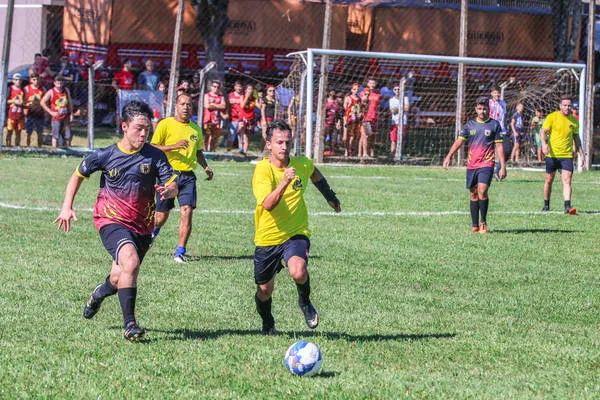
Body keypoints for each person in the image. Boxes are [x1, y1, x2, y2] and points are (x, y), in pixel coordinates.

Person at [53, 100, 178, 341]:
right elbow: (78, 174)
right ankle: (130, 325)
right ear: (124, 126)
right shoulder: (106, 155)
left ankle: (99, 294)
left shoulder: (155, 156)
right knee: (130, 262)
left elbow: (172, 182)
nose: (144, 133)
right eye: (138, 128)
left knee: (118, 278)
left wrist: (170, 190)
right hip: (110, 220)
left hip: (142, 225)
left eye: (147, 129)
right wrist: (67, 206)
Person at [252, 120, 341, 335]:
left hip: (296, 233)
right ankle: (268, 323)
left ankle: (305, 302)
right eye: (279, 142)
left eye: (287, 142)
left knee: (298, 271)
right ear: (269, 144)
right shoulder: (263, 171)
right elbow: (269, 205)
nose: (284, 147)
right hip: (268, 237)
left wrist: (330, 197)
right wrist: (284, 181)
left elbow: (315, 174)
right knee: (264, 291)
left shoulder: (301, 164)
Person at [150, 93, 214, 263]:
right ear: (176, 106)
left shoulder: (196, 129)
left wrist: (205, 166)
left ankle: (180, 252)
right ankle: (152, 233)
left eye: (189, 105)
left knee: (187, 211)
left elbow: (198, 151)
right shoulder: (165, 124)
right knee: (160, 217)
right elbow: (152, 147)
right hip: (168, 175)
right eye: (182, 104)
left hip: (188, 177)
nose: (186, 107)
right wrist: (174, 146)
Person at [443, 96, 506, 234]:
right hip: (472, 165)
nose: (482, 111)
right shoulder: (470, 125)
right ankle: (474, 224)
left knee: (482, 191)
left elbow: (499, 146)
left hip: (487, 164)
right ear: (475, 109)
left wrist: (503, 166)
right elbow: (459, 142)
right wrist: (449, 156)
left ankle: (483, 222)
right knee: (473, 194)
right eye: (479, 108)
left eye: (484, 108)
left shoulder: (494, 125)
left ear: (488, 109)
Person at [540, 95, 584, 214]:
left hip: (566, 156)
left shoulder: (574, 121)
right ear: (560, 106)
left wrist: (581, 153)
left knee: (567, 180)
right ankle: (546, 204)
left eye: (569, 105)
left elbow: (576, 137)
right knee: (549, 180)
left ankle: (567, 207)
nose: (567, 107)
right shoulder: (552, 117)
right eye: (564, 105)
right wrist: (544, 144)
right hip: (552, 155)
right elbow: (543, 131)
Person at [41, 76, 73, 149]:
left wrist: (71, 113)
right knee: (55, 135)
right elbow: (42, 102)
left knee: (67, 134)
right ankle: (54, 149)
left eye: (61, 83)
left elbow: (70, 103)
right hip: (56, 117)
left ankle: (68, 149)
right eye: (58, 83)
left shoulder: (66, 90)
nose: (60, 85)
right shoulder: (51, 91)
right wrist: (50, 112)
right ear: (54, 83)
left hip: (65, 117)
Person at [489, 86, 509, 182]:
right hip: (490, 130)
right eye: (495, 92)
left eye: (498, 93)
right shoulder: (489, 103)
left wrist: (506, 128)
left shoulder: (503, 103)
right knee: (487, 152)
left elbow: (503, 117)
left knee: (508, 150)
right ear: (492, 93)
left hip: (501, 130)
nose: (497, 94)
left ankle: (497, 170)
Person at [203, 80, 226, 152]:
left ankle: (212, 150)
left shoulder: (221, 97)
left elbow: (223, 106)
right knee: (207, 135)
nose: (216, 88)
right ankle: (205, 150)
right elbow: (207, 106)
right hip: (208, 118)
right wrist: (218, 105)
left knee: (215, 136)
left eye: (217, 87)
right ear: (211, 87)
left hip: (216, 119)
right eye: (214, 86)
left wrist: (213, 104)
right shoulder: (207, 95)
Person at [24, 73, 45, 147]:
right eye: (34, 79)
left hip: (40, 114)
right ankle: (27, 146)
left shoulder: (42, 89)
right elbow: (24, 101)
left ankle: (40, 147)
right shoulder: (27, 88)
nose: (36, 81)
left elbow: (45, 101)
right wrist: (26, 107)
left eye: (37, 79)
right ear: (31, 80)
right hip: (30, 113)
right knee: (28, 132)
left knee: (40, 132)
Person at [362, 78, 381, 158]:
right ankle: (365, 153)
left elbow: (378, 106)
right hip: (367, 117)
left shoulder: (378, 94)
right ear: (367, 84)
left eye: (373, 83)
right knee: (366, 135)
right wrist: (366, 94)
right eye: (370, 83)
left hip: (375, 117)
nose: (372, 85)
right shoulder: (364, 92)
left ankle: (372, 153)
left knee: (373, 135)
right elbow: (363, 100)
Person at [343, 83, 362, 157]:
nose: (356, 91)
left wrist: (359, 114)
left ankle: (351, 150)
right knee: (346, 135)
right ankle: (346, 150)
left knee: (354, 135)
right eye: (354, 89)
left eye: (357, 89)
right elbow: (345, 109)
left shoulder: (359, 99)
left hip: (356, 119)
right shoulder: (348, 98)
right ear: (351, 90)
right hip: (349, 119)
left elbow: (360, 109)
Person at [5, 73, 25, 147]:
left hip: (20, 114)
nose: (18, 81)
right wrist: (14, 101)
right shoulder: (9, 89)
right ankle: (8, 145)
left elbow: (25, 100)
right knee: (9, 131)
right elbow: (5, 101)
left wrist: (23, 102)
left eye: (19, 80)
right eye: (16, 80)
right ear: (13, 80)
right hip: (11, 114)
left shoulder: (23, 90)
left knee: (18, 132)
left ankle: (17, 146)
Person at [239, 84, 256, 155]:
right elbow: (242, 105)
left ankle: (245, 151)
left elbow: (259, 106)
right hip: (243, 117)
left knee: (247, 135)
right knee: (241, 131)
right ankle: (241, 149)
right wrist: (247, 97)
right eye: (248, 89)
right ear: (246, 90)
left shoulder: (254, 99)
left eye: (251, 89)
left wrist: (259, 97)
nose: (250, 91)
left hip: (250, 118)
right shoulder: (242, 97)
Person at [228, 81, 244, 152]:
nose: (239, 88)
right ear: (234, 87)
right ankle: (229, 150)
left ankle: (241, 150)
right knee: (232, 135)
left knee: (241, 135)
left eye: (240, 86)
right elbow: (228, 104)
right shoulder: (231, 95)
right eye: (237, 86)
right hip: (233, 118)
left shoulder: (243, 95)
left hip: (241, 118)